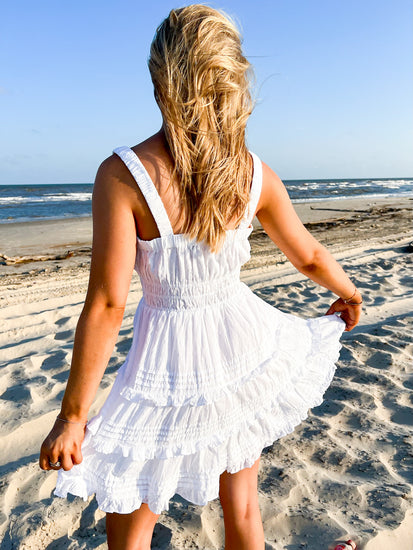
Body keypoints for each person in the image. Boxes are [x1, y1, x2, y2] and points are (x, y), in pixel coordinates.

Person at [39, 5, 362, 550]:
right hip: (240, 349)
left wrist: (74, 416)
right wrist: (347, 292)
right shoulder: (254, 172)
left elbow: (108, 304)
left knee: (131, 527)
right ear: (233, 77)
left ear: (161, 78)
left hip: (163, 366)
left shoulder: (124, 175)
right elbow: (307, 255)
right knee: (242, 513)